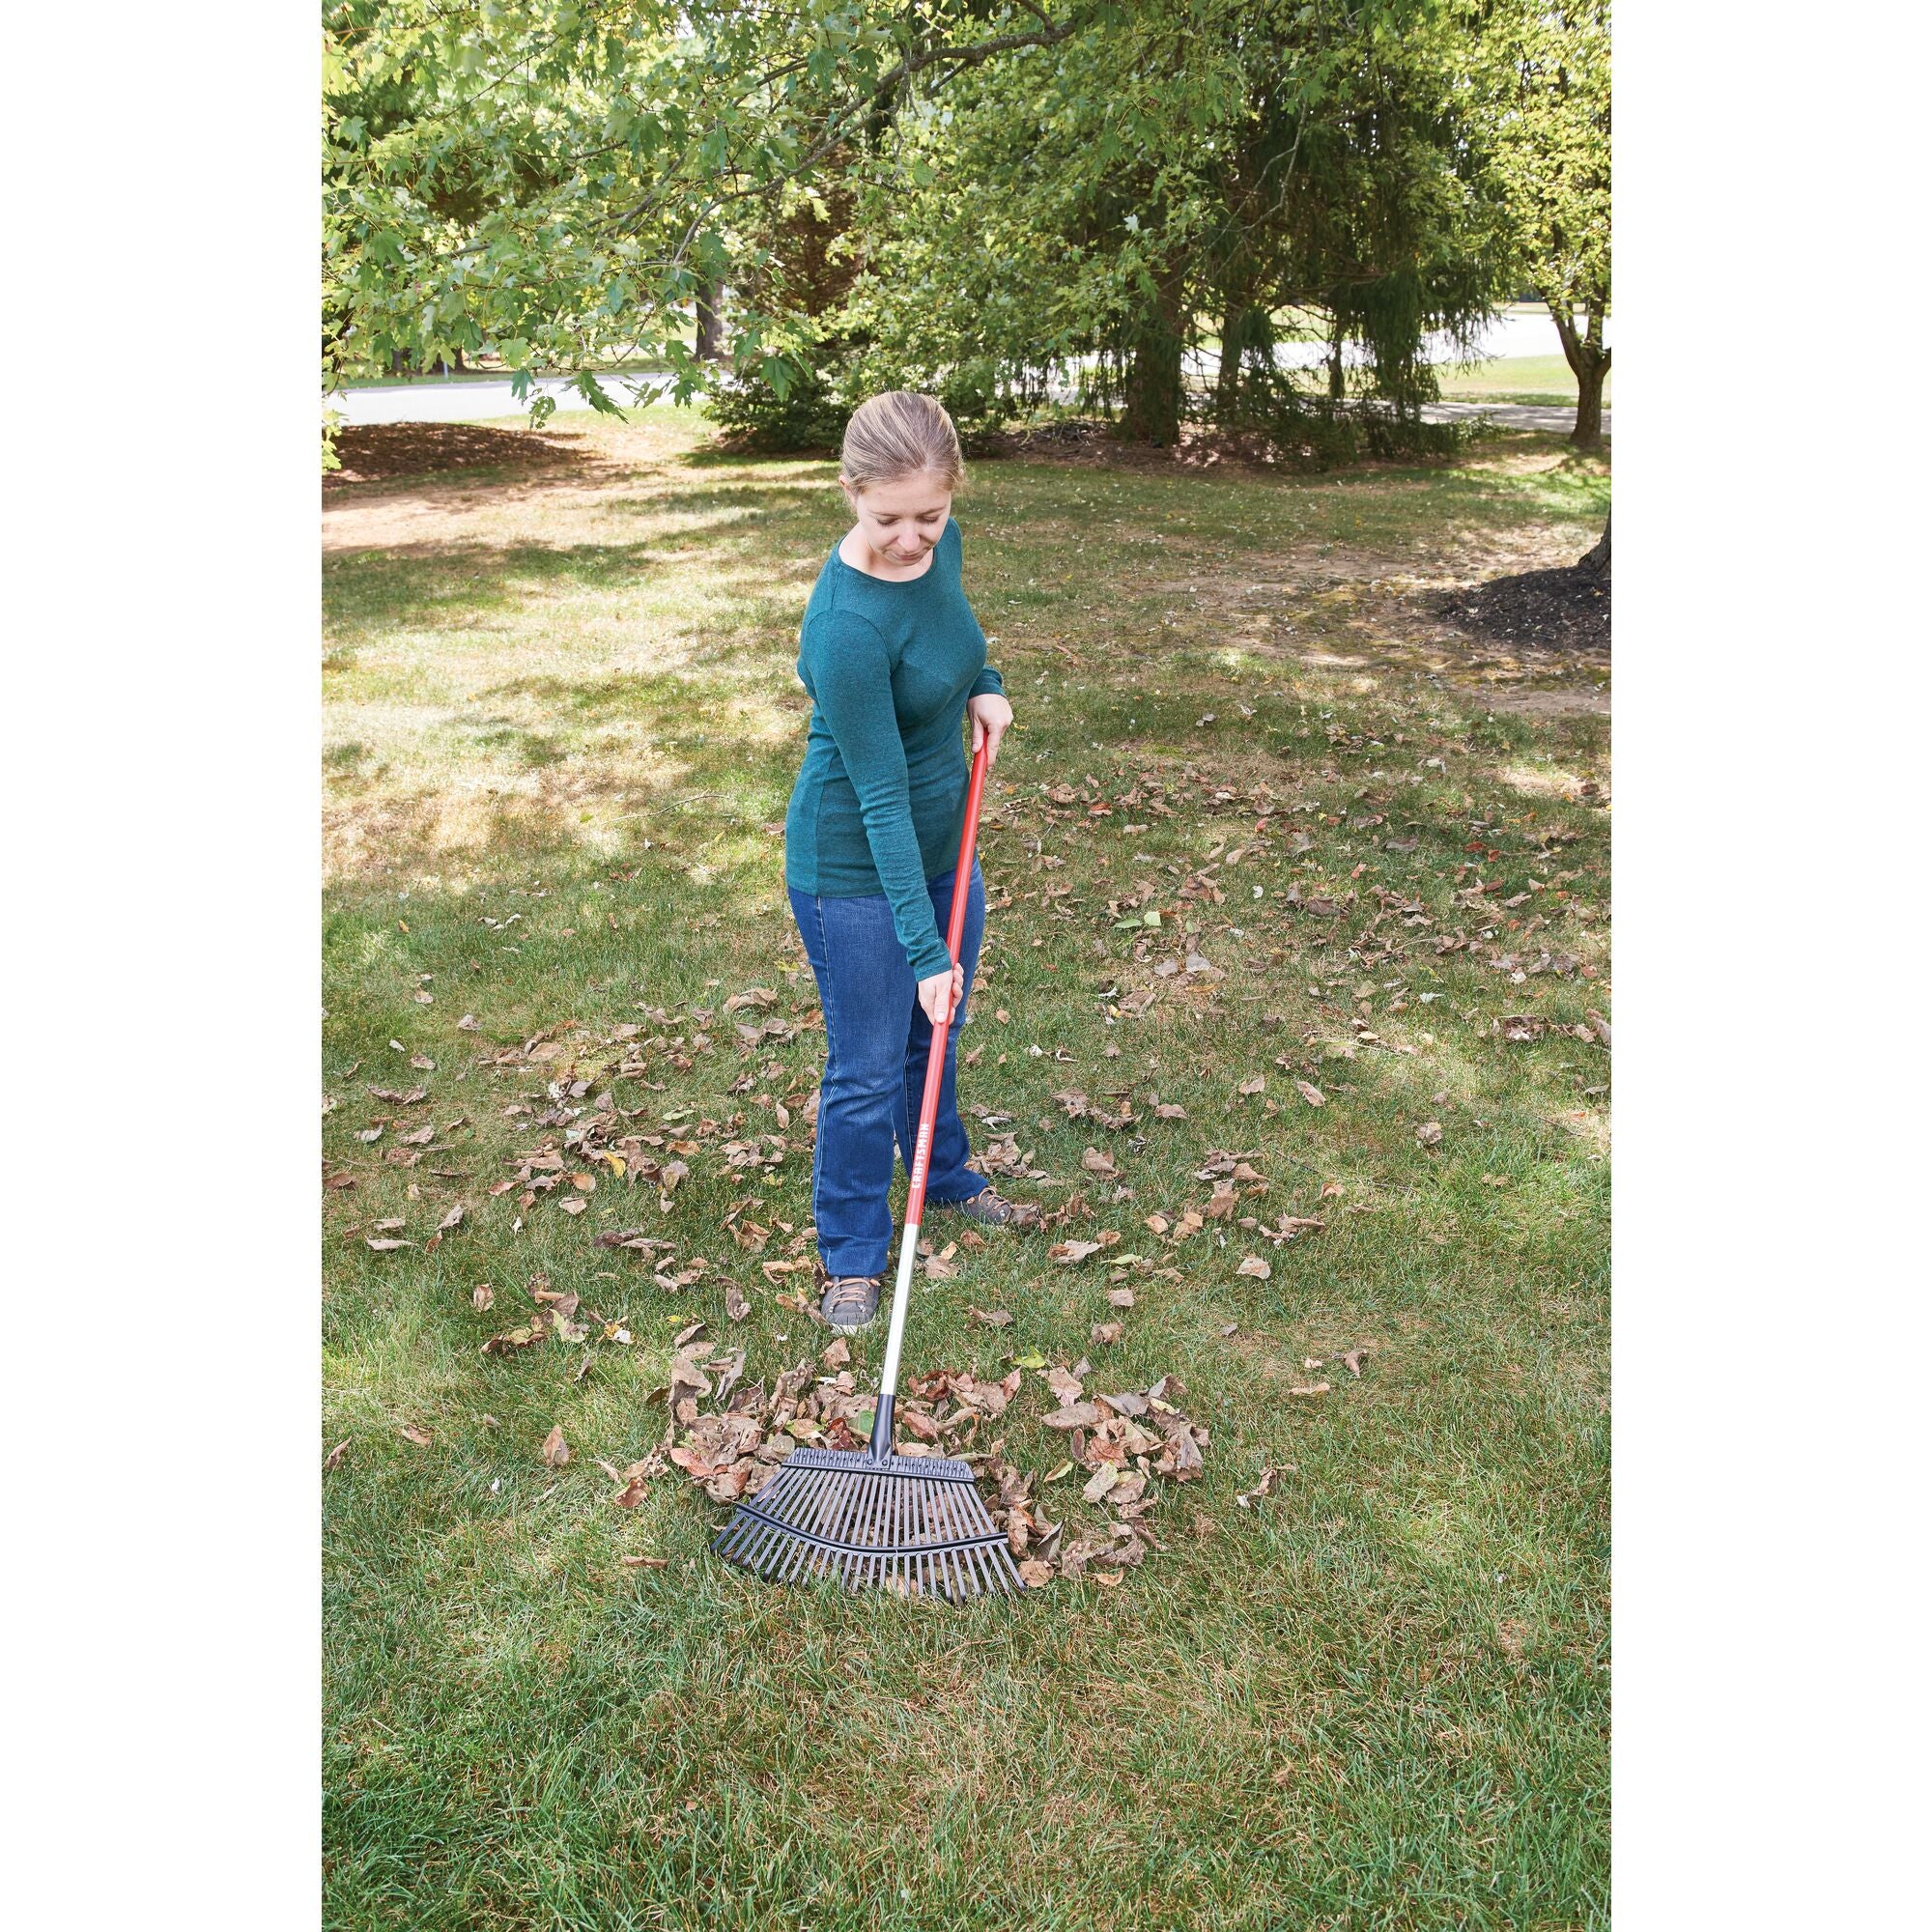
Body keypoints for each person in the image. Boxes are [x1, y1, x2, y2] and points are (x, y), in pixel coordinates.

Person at [783, 391, 1036, 1333]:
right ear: (850, 495)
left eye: (927, 516)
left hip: (944, 837)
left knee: (935, 1038)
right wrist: (923, 948)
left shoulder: (945, 543)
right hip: (853, 861)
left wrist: (987, 685)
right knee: (865, 1063)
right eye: (887, 518)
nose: (909, 538)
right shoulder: (843, 629)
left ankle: (942, 1174)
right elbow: (876, 797)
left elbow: (958, 640)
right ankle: (850, 1251)